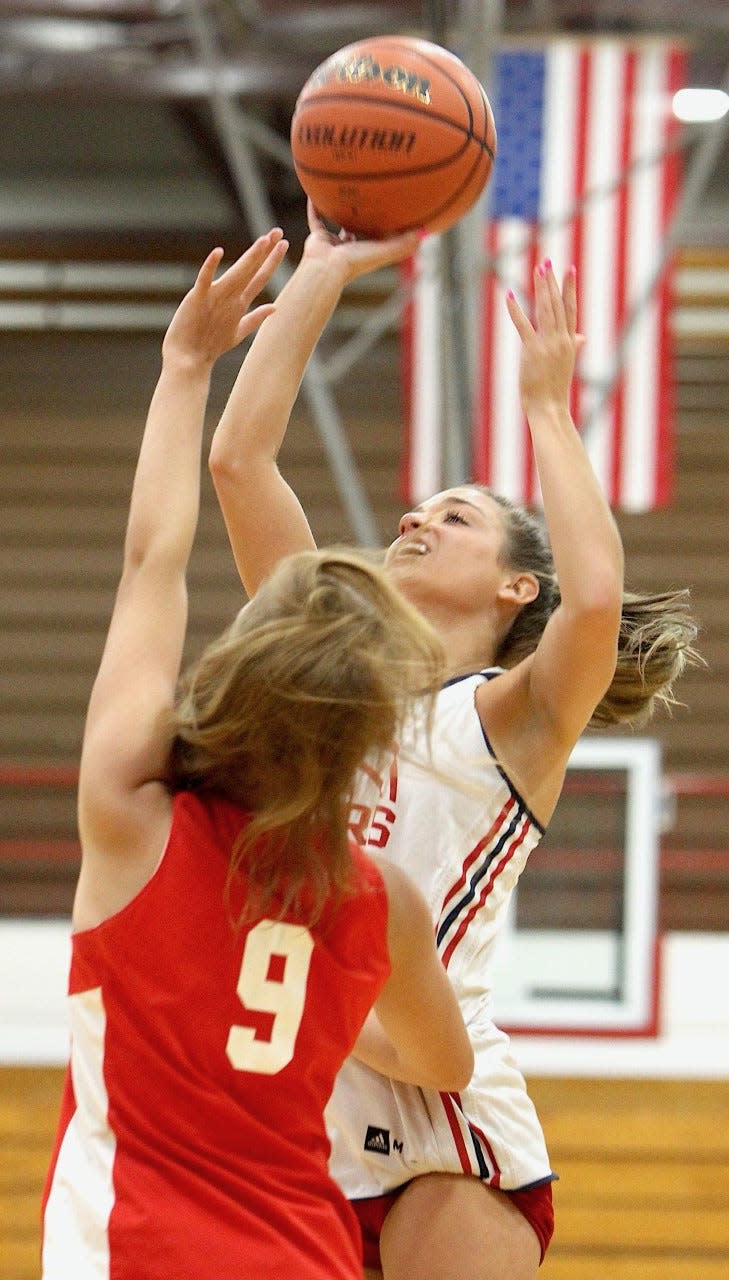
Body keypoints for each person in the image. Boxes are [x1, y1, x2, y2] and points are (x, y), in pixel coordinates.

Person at [207, 205, 700, 1280]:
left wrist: (545, 409)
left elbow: (596, 598)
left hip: (440, 1113)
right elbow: (240, 461)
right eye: (418, 508)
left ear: (514, 583)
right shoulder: (319, 666)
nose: (417, 519)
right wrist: (323, 273)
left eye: (457, 517)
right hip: (297, 1101)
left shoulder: (506, 715)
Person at [39, 229, 476, 1280]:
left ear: (233, 669)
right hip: (302, 1252)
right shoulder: (381, 899)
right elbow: (443, 1064)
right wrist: (332, 1028)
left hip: (131, 1247)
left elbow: (154, 556)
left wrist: (184, 364)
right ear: (365, 735)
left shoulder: (131, 812)